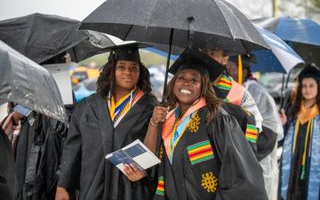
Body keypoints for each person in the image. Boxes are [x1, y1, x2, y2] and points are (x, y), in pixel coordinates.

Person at [144, 48, 267, 200]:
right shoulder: (169, 119)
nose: (186, 83)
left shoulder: (217, 120)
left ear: (204, 86)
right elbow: (156, 167)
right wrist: (154, 122)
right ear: (174, 82)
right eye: (181, 78)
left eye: (194, 80)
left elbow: (240, 175)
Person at [56, 43, 156, 200]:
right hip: (92, 187)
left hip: (131, 189)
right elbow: (72, 148)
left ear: (140, 72)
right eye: (121, 67)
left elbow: (158, 151)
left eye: (134, 67)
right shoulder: (88, 106)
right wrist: (62, 185)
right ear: (111, 71)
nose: (128, 72)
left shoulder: (150, 108)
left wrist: (146, 171)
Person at [227, 54, 284, 200]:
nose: (228, 72)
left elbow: (269, 133)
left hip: (257, 162)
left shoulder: (255, 92)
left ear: (244, 71)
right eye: (226, 68)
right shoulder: (228, 89)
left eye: (232, 69)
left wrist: (244, 155)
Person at [279, 64, 320, 200]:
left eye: (311, 85)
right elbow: (281, 140)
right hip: (292, 165)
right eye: (304, 85)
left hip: (313, 167)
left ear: (318, 87)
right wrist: (282, 125)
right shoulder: (292, 110)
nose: (307, 89)